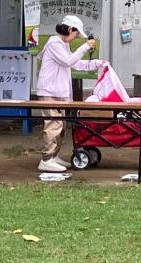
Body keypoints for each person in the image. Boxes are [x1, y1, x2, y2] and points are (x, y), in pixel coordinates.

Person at [35, 14, 104, 173]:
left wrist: (96, 63)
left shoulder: (62, 45)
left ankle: (53, 156)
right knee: (54, 124)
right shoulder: (54, 43)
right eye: (76, 34)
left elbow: (74, 62)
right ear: (70, 29)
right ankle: (46, 159)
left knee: (60, 125)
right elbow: (68, 61)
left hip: (57, 92)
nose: (76, 37)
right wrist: (85, 46)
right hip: (49, 92)